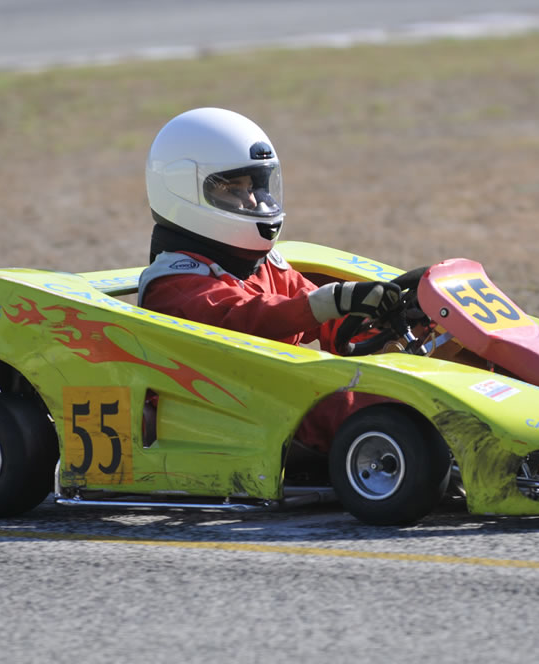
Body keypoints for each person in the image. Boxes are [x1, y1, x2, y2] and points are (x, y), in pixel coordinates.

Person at [138, 107, 399, 456]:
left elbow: (314, 311)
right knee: (345, 408)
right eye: (234, 189)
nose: (252, 201)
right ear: (185, 191)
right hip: (212, 410)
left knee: (399, 383)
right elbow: (244, 319)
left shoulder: (260, 264)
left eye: (254, 186)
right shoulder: (176, 282)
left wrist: (376, 326)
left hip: (265, 399)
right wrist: (329, 301)